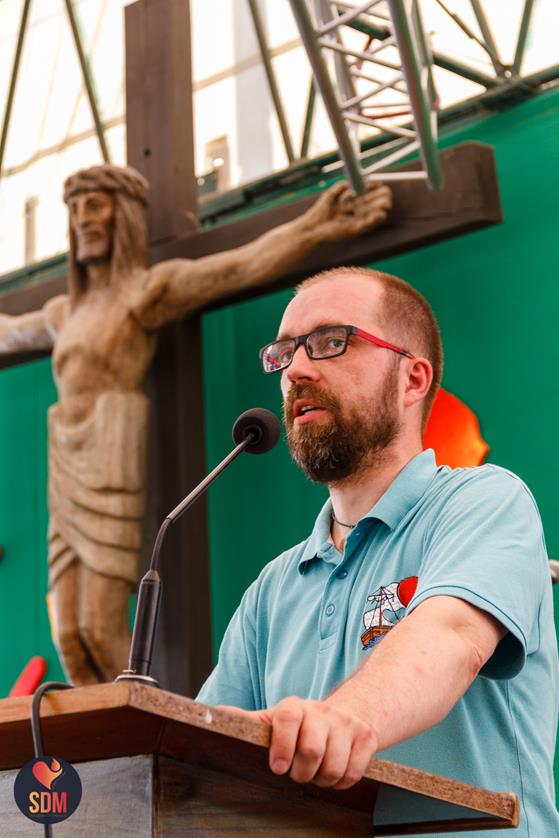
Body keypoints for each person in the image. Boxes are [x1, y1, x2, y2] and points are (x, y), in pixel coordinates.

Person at [197, 266, 559, 836]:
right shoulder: (271, 588)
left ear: (413, 379)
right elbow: (202, 762)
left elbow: (452, 637)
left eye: (330, 342)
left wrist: (340, 720)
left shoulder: (486, 502)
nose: (296, 370)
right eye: (284, 353)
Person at [0, 165, 391, 686]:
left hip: (110, 447)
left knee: (98, 624)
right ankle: (99, 734)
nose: (84, 219)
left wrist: (317, 225)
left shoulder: (145, 292)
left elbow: (240, 266)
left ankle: (134, 724)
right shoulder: (62, 312)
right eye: (75, 209)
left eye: (96, 205)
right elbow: (7, 331)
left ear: (124, 217)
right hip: (66, 455)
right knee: (70, 632)